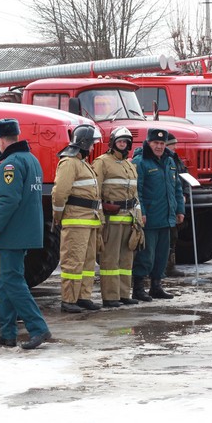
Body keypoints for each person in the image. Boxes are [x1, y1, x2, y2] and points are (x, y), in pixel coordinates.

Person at [0, 118, 51, 350]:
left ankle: (38, 328)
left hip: (12, 232)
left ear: (1, 140)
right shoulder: (31, 160)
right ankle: (8, 334)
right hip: (26, 230)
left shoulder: (10, 164)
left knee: (12, 281)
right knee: (6, 282)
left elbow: (9, 199)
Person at [52, 124, 103, 313]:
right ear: (83, 143)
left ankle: (83, 297)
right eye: (91, 144)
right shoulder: (69, 163)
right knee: (73, 261)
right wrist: (58, 216)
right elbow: (60, 194)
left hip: (89, 221)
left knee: (88, 262)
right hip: (76, 221)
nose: (93, 147)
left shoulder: (83, 164)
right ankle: (69, 299)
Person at [132, 129, 185, 301]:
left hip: (166, 217)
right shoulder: (140, 162)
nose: (159, 146)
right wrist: (141, 212)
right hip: (149, 218)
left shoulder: (169, 161)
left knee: (162, 255)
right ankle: (138, 288)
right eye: (156, 143)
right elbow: (137, 191)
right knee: (145, 255)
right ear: (148, 143)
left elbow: (177, 188)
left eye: (162, 143)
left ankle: (156, 286)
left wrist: (180, 210)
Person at [93, 127, 142, 308]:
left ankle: (123, 294)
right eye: (120, 141)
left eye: (125, 142)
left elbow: (135, 195)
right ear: (113, 142)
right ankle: (110, 296)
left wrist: (138, 218)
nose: (123, 144)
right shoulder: (102, 162)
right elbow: (95, 192)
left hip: (129, 219)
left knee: (126, 260)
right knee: (110, 259)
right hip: (111, 219)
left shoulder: (129, 165)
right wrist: (100, 217)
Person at [164, 134, 187, 277]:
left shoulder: (175, 160)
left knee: (173, 236)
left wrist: (184, 195)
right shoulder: (165, 160)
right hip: (163, 205)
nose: (175, 147)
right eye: (173, 144)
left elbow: (181, 181)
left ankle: (170, 266)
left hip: (174, 203)